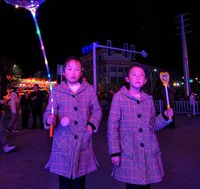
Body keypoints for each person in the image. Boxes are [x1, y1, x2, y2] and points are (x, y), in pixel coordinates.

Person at [107, 63, 174, 189]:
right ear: (127, 79)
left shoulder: (148, 99)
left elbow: (153, 125)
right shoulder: (119, 98)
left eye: (141, 75)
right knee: (133, 186)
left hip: (148, 150)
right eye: (134, 75)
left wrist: (164, 116)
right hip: (128, 151)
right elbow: (112, 127)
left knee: (146, 185)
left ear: (145, 81)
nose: (138, 78)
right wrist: (114, 152)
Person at [43, 56, 102, 189]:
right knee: (64, 183)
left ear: (81, 72)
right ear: (64, 72)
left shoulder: (89, 89)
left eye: (77, 69)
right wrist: (49, 119)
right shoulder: (57, 91)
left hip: (83, 140)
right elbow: (48, 112)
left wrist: (91, 125)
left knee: (79, 183)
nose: (73, 72)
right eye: (69, 69)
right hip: (62, 143)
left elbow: (97, 110)